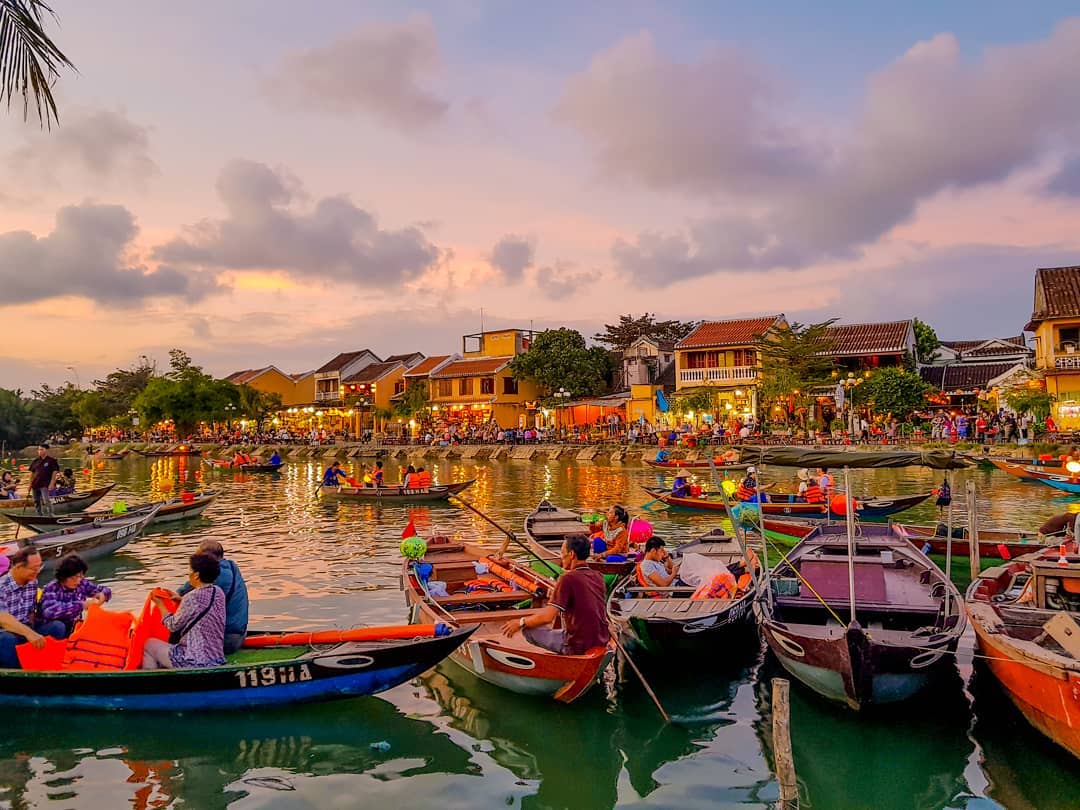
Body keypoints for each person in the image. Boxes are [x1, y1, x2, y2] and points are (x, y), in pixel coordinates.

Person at [501, 534, 610, 655]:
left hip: (576, 644)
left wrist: (520, 622)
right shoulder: (598, 576)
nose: (561, 556)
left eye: (563, 552)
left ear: (572, 554)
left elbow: (548, 617)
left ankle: (565, 655)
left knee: (528, 629)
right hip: (601, 640)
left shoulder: (567, 579)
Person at [142, 553, 226, 670]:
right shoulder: (218, 592)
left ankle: (150, 682)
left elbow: (172, 625)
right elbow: (201, 608)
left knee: (148, 644)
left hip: (194, 661)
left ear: (196, 575)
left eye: (190, 570)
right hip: (216, 657)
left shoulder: (192, 597)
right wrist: (180, 601)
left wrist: (160, 604)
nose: (189, 573)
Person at [169, 539, 248, 654]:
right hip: (238, 634)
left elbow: (176, 621)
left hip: (226, 640)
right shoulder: (229, 567)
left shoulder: (217, 577)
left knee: (177, 628)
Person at [0, 548, 67, 668]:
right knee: (7, 639)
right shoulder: (2, 586)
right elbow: (4, 619)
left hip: (27, 630)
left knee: (57, 627)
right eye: (34, 568)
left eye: (39, 567)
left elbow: (32, 613)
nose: (38, 571)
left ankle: (50, 664)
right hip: (6, 633)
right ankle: (16, 674)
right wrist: (29, 633)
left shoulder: (32, 582)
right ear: (18, 567)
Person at [39, 553, 111, 637]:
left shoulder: (81, 583)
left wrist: (103, 594)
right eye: (73, 578)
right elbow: (49, 612)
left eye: (80, 576)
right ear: (64, 576)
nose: (77, 581)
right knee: (58, 626)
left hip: (72, 625)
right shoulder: (52, 588)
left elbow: (104, 589)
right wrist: (81, 605)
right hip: (49, 628)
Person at [29, 443, 60, 516]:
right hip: (35, 483)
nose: (39, 451)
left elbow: (54, 472)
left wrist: (52, 483)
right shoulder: (36, 461)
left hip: (45, 484)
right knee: (36, 501)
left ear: (46, 450)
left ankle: (50, 514)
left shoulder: (51, 460)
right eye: (39, 450)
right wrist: (30, 484)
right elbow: (32, 473)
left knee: (46, 500)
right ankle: (39, 514)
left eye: (41, 449)